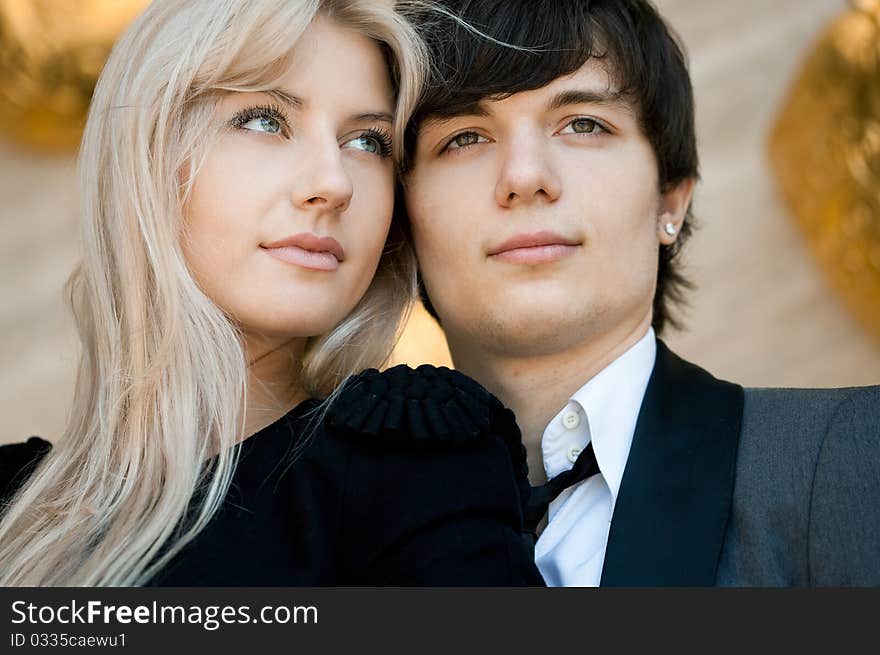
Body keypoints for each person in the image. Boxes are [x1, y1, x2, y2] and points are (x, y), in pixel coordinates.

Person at [0, 0, 542, 587]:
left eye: (367, 143)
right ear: (146, 155)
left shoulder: (411, 462)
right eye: (265, 120)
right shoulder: (11, 496)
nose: (333, 184)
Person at [400, 0, 880, 586]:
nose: (524, 177)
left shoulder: (856, 455)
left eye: (583, 124)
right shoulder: (320, 522)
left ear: (670, 201)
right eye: (465, 137)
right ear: (401, 222)